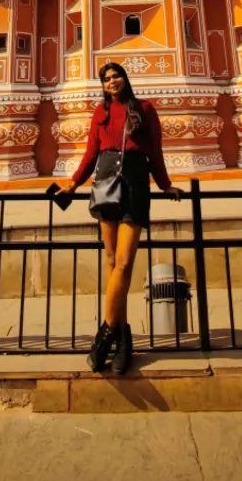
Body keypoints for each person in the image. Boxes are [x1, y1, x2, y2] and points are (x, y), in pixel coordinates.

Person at [56, 61, 183, 375]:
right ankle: (123, 341)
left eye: (117, 76)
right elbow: (90, 152)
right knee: (111, 261)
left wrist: (165, 185)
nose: (112, 81)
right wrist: (73, 183)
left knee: (125, 263)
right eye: (107, 78)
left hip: (136, 183)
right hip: (107, 182)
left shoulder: (145, 109)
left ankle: (105, 335)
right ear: (103, 85)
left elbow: (155, 151)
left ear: (126, 79)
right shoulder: (101, 113)